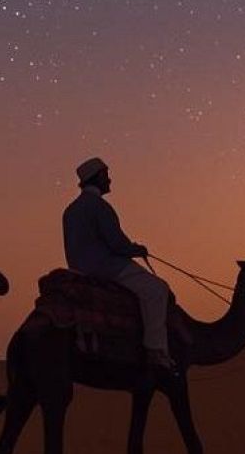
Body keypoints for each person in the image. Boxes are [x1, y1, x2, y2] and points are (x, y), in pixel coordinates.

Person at [62, 157, 176, 372]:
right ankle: (156, 350)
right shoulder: (99, 207)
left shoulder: (71, 210)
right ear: (97, 178)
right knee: (157, 290)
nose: (110, 181)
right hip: (107, 267)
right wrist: (136, 249)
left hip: (79, 269)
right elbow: (116, 243)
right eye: (106, 176)